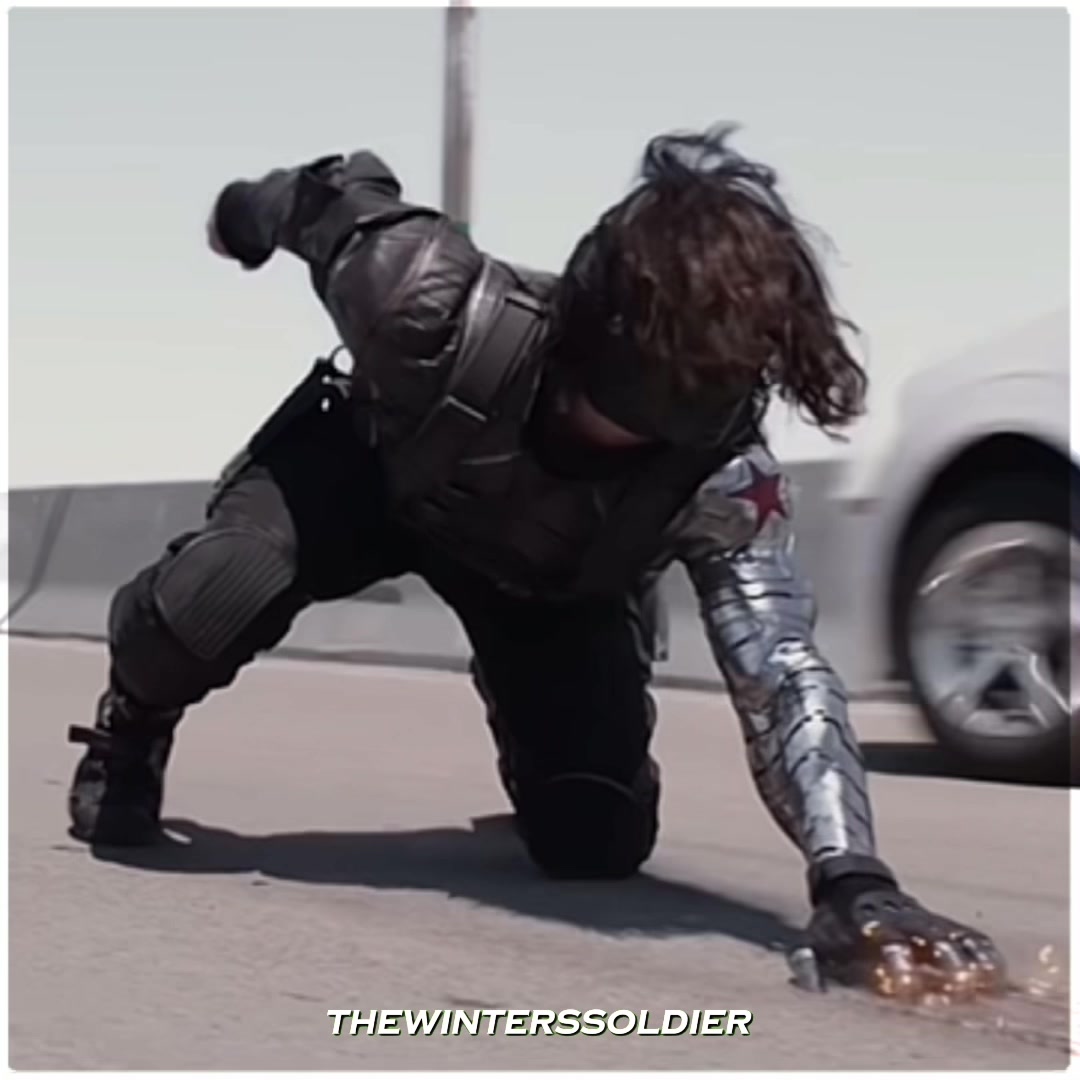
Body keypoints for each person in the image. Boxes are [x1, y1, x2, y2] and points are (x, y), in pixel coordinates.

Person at [66, 125, 1004, 999]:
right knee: (217, 593)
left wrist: (852, 878)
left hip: (540, 582)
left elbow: (780, 671)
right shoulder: (419, 294)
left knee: (595, 838)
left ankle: (562, 693)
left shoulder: (718, 477)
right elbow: (325, 198)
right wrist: (241, 217)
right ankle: (132, 724)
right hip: (364, 481)